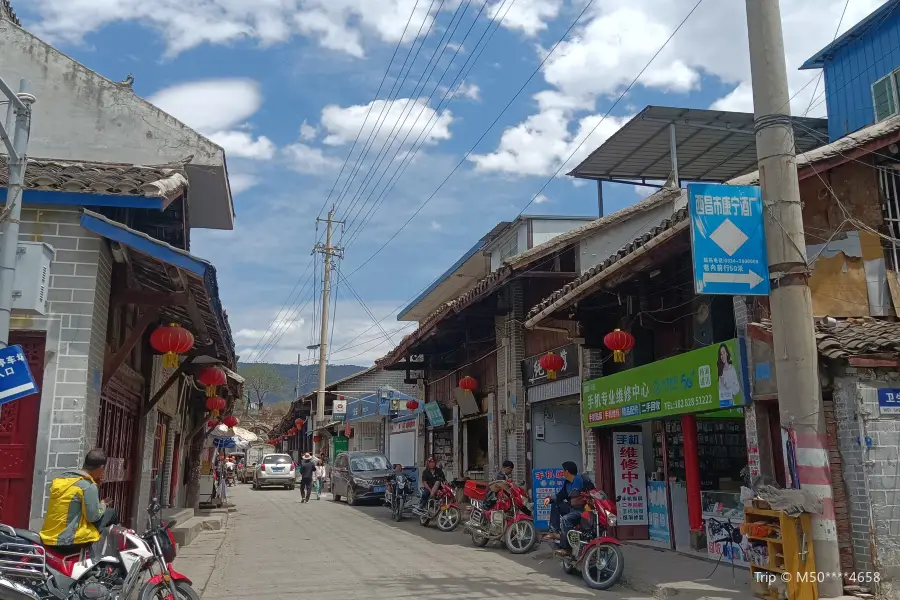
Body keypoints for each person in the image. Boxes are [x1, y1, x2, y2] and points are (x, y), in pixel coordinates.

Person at [40, 448, 118, 555]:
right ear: (101, 467)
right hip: (69, 540)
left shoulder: (61, 480)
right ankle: (104, 554)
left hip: (49, 537)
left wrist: (97, 484)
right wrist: (103, 505)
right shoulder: (87, 485)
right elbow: (93, 516)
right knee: (111, 513)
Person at [543, 461, 588, 556]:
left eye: (563, 471)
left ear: (567, 471)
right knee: (555, 504)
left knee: (565, 519)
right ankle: (555, 531)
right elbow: (560, 495)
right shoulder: (567, 483)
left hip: (581, 511)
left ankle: (566, 549)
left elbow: (575, 493)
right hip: (572, 509)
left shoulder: (578, 479)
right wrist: (549, 498)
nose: (562, 473)